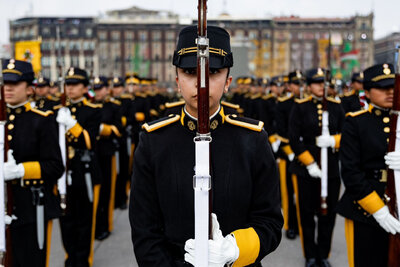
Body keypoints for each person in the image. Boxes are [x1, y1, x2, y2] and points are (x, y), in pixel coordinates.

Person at [129, 25, 283, 267]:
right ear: (178, 80)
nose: (201, 83)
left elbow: (270, 221)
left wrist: (234, 248)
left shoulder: (253, 140)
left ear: (228, 81)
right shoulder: (154, 141)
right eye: (190, 72)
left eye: (213, 72)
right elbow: (144, 230)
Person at [337, 63, 400, 267]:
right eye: (383, 88)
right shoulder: (356, 122)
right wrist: (379, 210)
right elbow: (351, 172)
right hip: (366, 209)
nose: (391, 92)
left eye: (394, 87)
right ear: (367, 91)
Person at [2, 59, 64, 266]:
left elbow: (55, 166)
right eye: (5, 83)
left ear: (30, 89)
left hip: (31, 206)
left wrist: (21, 170)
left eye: (14, 83)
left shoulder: (42, 120)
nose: (7, 88)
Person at [288, 68, 344, 267]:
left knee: (328, 214)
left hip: (331, 170)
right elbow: (294, 139)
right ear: (309, 86)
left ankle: (324, 254)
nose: (322, 86)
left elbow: (348, 135)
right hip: (306, 169)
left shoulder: (337, 107)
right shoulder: (300, 107)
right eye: (317, 82)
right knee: (306, 214)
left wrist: (334, 141)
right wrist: (310, 163)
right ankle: (310, 255)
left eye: (324, 82)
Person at [56, 67, 102, 267]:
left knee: (85, 222)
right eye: (68, 84)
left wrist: (70, 124)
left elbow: (89, 141)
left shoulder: (93, 110)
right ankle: (70, 258)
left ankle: (83, 261)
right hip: (64, 174)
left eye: (75, 85)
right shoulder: (57, 109)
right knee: (66, 222)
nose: (70, 89)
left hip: (85, 172)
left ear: (85, 88)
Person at [274, 70, 305, 240]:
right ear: (289, 85)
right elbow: (281, 132)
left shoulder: (307, 104)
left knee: (303, 195)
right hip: (289, 154)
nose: (299, 87)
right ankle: (290, 225)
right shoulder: (283, 104)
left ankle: (301, 224)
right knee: (288, 193)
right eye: (295, 84)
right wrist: (293, 153)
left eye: (301, 84)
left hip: (306, 156)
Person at [91, 76, 122, 241]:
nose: (98, 92)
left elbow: (118, 128)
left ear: (106, 89)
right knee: (95, 192)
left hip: (106, 151)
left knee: (107, 191)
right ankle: (96, 226)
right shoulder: (91, 106)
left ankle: (106, 225)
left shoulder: (113, 106)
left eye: (100, 88)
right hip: (93, 153)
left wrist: (102, 129)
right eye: (95, 89)